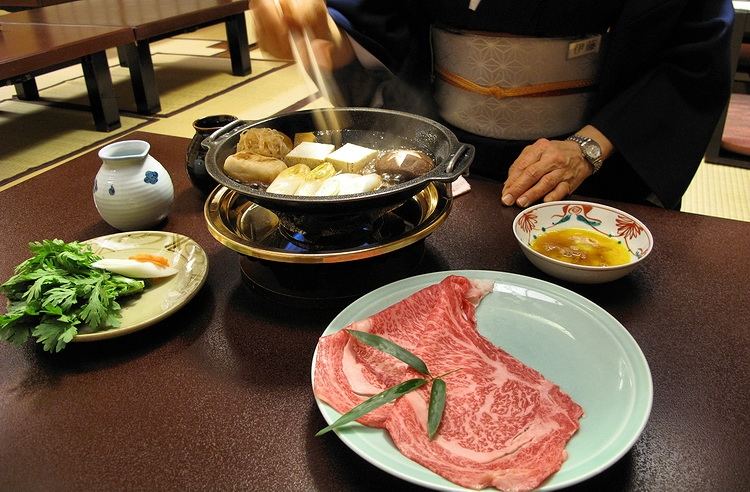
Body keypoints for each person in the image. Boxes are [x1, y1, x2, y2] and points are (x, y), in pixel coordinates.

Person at [252, 0, 735, 210]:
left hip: (591, 168)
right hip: (445, 158)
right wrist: (328, 34)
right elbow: (381, 15)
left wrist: (587, 148)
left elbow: (694, 47)